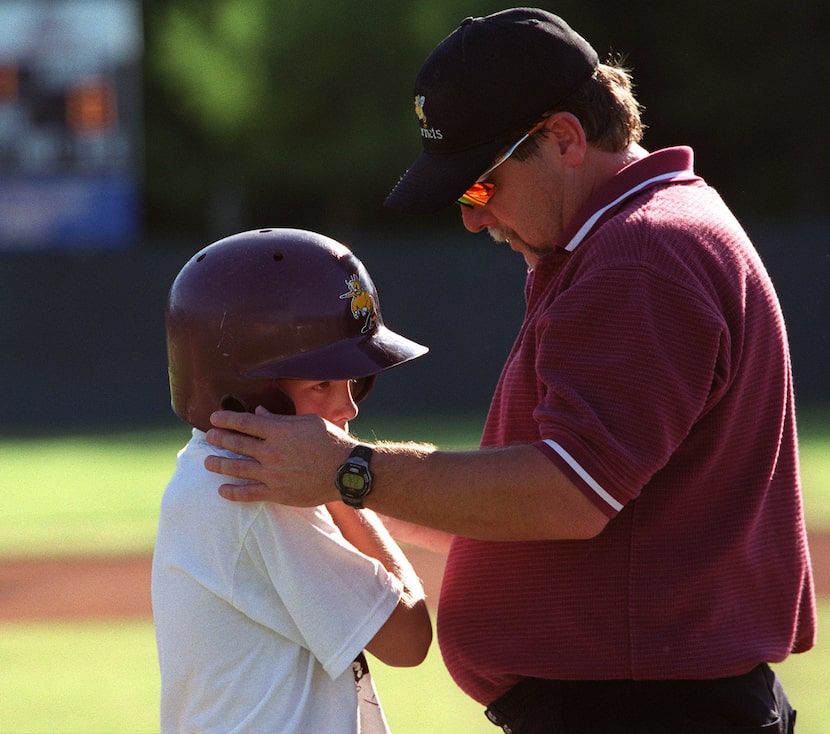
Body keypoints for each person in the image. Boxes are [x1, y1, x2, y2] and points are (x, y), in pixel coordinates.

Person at [202, 9, 815, 733]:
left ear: (563, 138)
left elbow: (566, 494)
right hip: (648, 700)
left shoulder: (640, 253)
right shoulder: (639, 235)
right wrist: (320, 479)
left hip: (646, 708)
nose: (470, 218)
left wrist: (351, 471)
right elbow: (536, 504)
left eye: (481, 186)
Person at [151, 228, 432, 734]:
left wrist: (328, 476)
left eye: (352, 381)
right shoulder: (256, 493)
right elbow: (408, 637)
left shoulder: (208, 469)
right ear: (243, 391)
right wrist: (344, 479)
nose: (347, 407)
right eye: (320, 383)